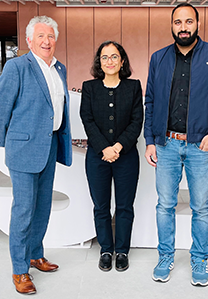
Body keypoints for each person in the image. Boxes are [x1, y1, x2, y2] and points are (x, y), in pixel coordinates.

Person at [144, 2, 208, 286]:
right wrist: (149, 141)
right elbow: (151, 101)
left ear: (197, 23)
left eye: (188, 21)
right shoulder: (158, 58)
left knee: (201, 207)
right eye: (177, 22)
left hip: (200, 146)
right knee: (165, 205)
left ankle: (199, 259)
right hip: (166, 143)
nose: (183, 27)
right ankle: (166, 256)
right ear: (172, 26)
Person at [0, 15, 72, 295]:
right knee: (23, 210)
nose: (46, 41)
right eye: (40, 36)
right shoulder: (17, 67)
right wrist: (9, 141)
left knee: (42, 206)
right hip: (24, 149)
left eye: (50, 36)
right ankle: (19, 270)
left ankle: (36, 255)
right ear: (29, 40)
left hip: (49, 147)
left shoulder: (58, 68)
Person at [80, 41, 143, 272]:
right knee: (101, 206)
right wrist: (104, 148)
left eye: (114, 57)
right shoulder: (89, 87)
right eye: (105, 57)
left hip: (125, 156)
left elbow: (137, 122)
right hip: (98, 157)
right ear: (99, 62)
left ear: (122, 61)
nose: (109, 61)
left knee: (125, 206)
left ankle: (123, 251)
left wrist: (117, 147)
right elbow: (87, 119)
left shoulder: (134, 87)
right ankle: (106, 250)